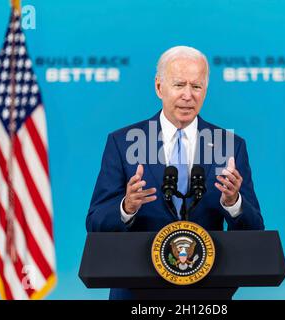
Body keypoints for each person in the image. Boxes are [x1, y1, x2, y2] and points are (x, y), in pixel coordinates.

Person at [86, 46, 264, 299]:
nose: (188, 96)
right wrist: (127, 207)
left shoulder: (230, 146)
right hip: (137, 295)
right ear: (159, 87)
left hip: (207, 296)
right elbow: (95, 222)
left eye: (197, 87)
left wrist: (234, 203)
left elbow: (254, 229)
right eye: (179, 85)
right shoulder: (123, 142)